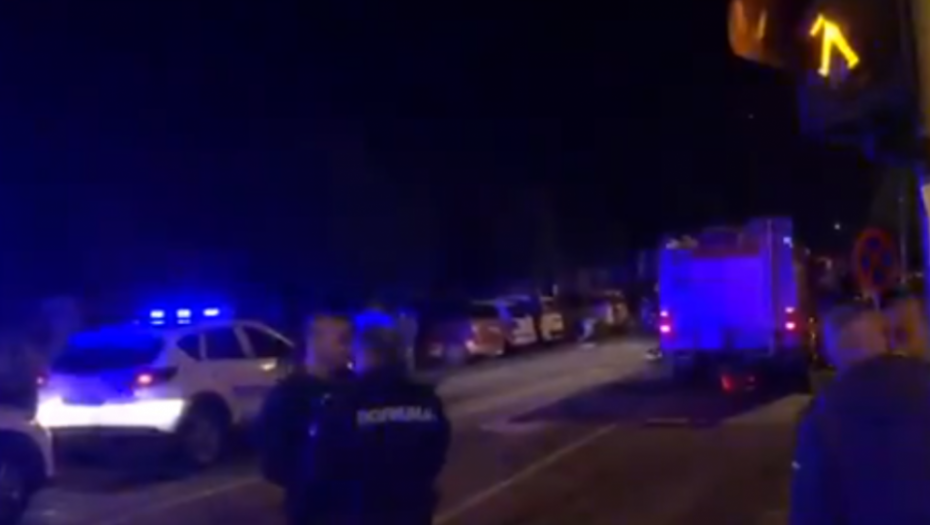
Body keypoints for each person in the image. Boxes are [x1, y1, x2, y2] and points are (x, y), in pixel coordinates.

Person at [287, 313, 451, 525]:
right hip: (414, 508)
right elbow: (438, 449)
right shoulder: (425, 398)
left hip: (361, 511)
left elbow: (322, 465)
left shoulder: (347, 402)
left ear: (366, 354)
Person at [789, 298, 930, 525]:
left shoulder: (822, 417)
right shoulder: (923, 384)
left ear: (835, 352)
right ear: (885, 339)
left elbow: (811, 510)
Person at [257, 309, 354, 490]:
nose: (350, 348)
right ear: (316, 341)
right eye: (343, 340)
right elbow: (273, 463)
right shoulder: (287, 396)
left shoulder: (356, 387)